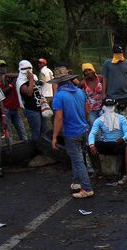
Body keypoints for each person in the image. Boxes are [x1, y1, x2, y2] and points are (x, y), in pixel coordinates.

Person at [50, 66, 93, 198]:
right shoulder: (80, 92)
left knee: (78, 159)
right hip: (83, 129)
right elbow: (87, 111)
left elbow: (59, 118)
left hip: (71, 132)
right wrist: (82, 121)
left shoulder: (59, 96)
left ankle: (86, 188)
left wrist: (54, 137)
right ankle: (76, 181)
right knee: (78, 158)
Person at [87, 98, 127, 179]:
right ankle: (98, 171)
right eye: (108, 107)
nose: (110, 109)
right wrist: (92, 145)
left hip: (118, 143)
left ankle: (121, 172)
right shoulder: (99, 120)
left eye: (112, 106)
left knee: (125, 147)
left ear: (115, 107)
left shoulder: (122, 118)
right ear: (103, 108)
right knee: (89, 147)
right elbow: (92, 133)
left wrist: (123, 138)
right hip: (106, 143)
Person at [102, 44, 127, 121]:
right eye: (117, 53)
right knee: (113, 122)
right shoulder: (107, 64)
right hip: (111, 97)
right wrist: (103, 93)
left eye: (120, 53)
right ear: (113, 53)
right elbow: (104, 79)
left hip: (125, 96)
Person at [0, 61, 27, 142]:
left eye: (5, 66)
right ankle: (11, 150)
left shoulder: (8, 76)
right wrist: (11, 85)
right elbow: (1, 93)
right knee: (9, 133)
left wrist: (6, 75)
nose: (4, 68)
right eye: (1, 66)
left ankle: (26, 146)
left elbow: (21, 74)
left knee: (22, 130)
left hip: (15, 108)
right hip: (6, 109)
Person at [16, 60, 48, 141]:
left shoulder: (34, 77)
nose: (28, 71)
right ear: (21, 69)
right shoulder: (20, 82)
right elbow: (29, 92)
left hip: (41, 108)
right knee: (36, 132)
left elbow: (38, 89)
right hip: (32, 110)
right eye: (26, 69)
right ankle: (35, 149)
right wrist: (31, 80)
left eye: (29, 68)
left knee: (44, 130)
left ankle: (43, 148)